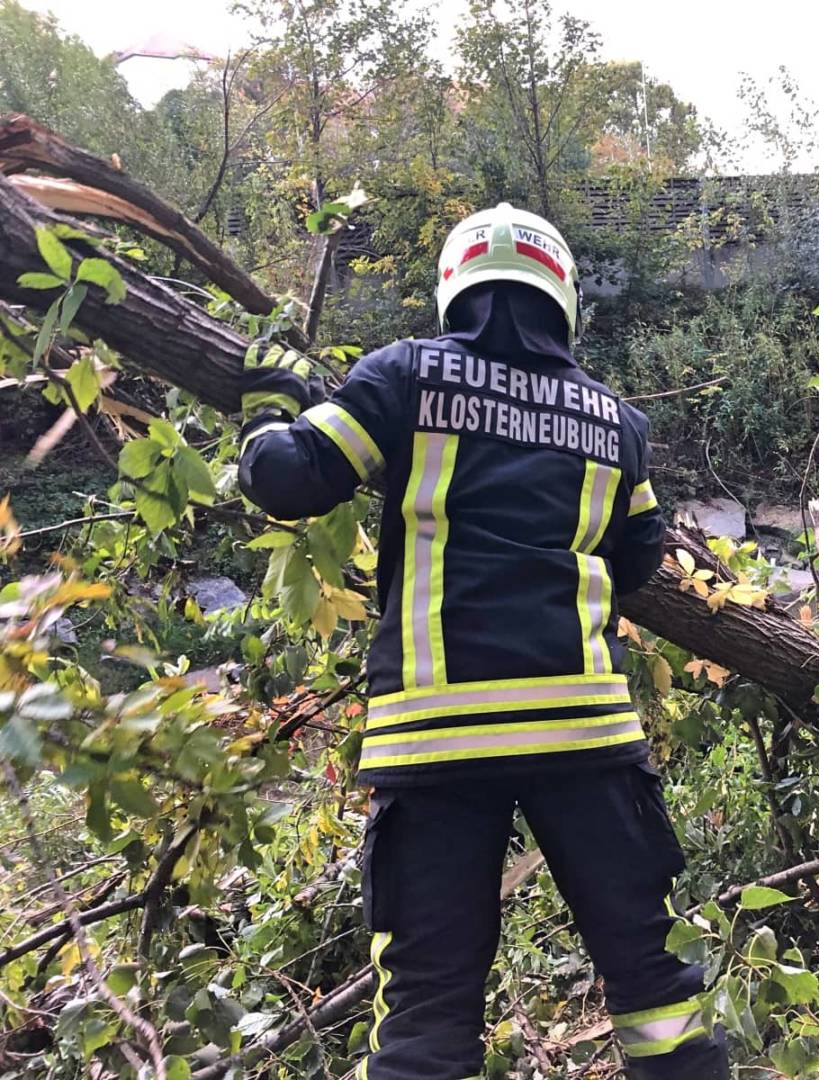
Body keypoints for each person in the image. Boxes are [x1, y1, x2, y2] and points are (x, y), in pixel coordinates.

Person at [236, 203, 728, 1079]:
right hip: (585, 738)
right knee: (655, 982)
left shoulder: (401, 379)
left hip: (435, 739)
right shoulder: (615, 422)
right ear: (563, 294)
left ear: (453, 288)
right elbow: (643, 554)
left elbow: (286, 478)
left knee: (426, 1017)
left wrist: (273, 401)